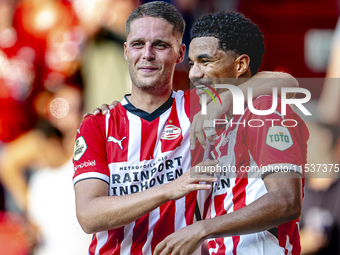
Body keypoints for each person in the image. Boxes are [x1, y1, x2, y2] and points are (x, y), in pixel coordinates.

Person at [74, 2, 298, 254]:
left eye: (160, 45)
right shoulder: (97, 124)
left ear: (180, 54)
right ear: (126, 51)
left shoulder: (200, 106)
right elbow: (88, 215)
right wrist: (170, 189)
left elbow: (285, 81)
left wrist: (225, 99)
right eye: (138, 44)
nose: (147, 54)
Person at [153, 11, 308, 255]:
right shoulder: (211, 117)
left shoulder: (264, 112)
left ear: (240, 65)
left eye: (206, 61)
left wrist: (202, 229)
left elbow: (286, 202)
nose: (194, 73)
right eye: (192, 63)